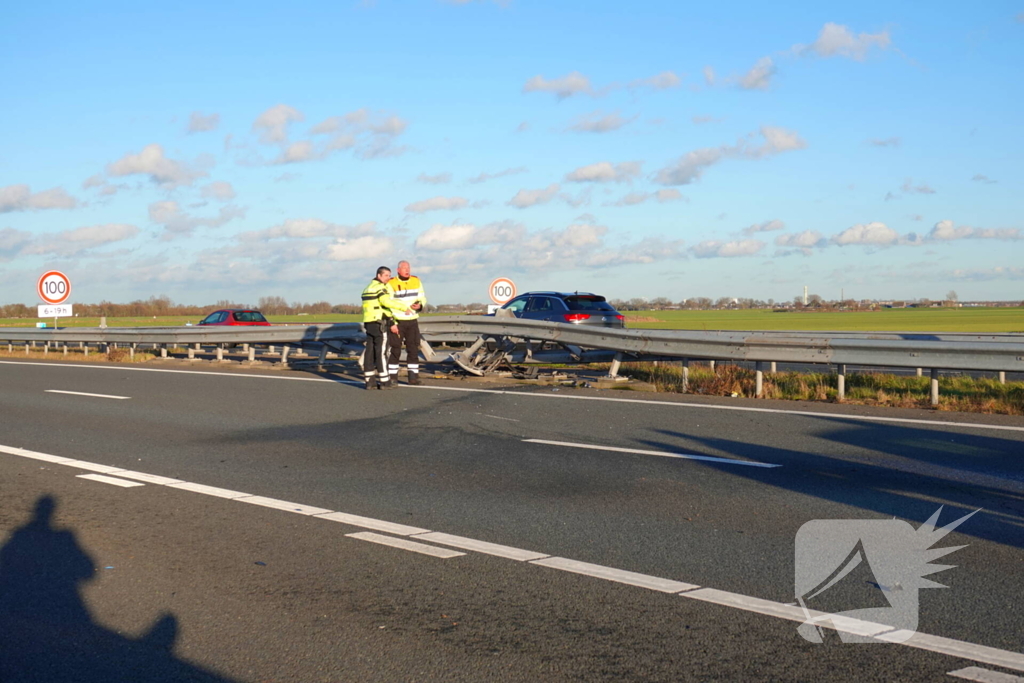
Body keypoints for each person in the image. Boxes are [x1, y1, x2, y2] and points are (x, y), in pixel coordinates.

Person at [361, 266, 408, 390]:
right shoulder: (380, 288)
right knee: (381, 352)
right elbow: (386, 303)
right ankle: (385, 381)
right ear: (379, 276)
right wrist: (404, 308)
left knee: (369, 352)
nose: (388, 278)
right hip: (379, 323)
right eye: (386, 275)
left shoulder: (367, 288)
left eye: (389, 275)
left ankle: (369, 381)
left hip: (369, 323)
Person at [386, 260, 427, 385]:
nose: (407, 270)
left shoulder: (416, 281)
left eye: (408, 267)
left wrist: (419, 305)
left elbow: (422, 297)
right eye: (404, 268)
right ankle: (392, 378)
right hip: (398, 321)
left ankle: (413, 377)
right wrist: (391, 322)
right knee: (395, 350)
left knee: (413, 349)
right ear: (398, 270)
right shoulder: (391, 283)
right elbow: (387, 303)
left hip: (412, 321)